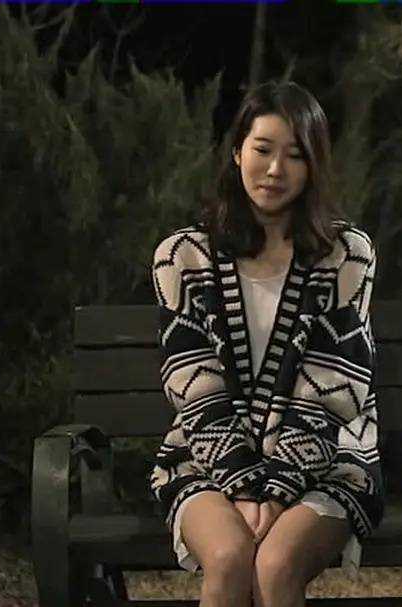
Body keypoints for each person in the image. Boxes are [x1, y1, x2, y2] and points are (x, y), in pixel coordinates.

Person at [148, 81, 382, 607]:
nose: (276, 169)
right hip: (207, 460)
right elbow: (194, 390)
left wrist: (275, 492)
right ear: (237, 152)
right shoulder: (182, 256)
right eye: (262, 149)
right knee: (230, 557)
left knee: (275, 565)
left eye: (295, 155)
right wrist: (241, 484)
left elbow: (334, 390)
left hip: (328, 461)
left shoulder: (346, 254)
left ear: (314, 166)